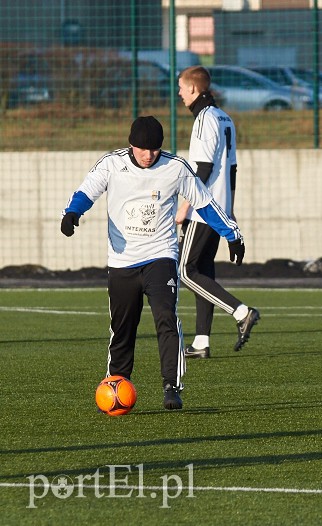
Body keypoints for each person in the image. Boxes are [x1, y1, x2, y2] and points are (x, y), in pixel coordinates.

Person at [60, 116, 246, 410]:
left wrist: (232, 235)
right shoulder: (112, 164)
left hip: (161, 256)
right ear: (131, 145)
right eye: (143, 149)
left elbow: (205, 202)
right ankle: (117, 383)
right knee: (122, 327)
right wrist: (72, 213)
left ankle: (171, 386)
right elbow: (86, 190)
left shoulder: (175, 168)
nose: (149, 155)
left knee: (165, 316)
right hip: (122, 261)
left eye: (155, 149)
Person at [176, 65, 260, 359]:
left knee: (185, 271)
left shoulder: (204, 119)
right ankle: (201, 342)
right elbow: (232, 169)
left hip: (204, 209)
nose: (179, 94)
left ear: (195, 90)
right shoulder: (225, 118)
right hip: (220, 206)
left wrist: (185, 205)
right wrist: (231, 209)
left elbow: (203, 168)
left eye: (182, 89)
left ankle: (241, 312)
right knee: (203, 270)